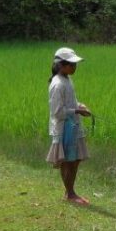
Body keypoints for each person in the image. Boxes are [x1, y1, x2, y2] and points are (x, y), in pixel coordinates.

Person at [46, 46, 92, 205]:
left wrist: (80, 106)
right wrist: (77, 111)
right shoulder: (57, 84)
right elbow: (57, 112)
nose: (74, 67)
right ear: (61, 65)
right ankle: (70, 193)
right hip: (64, 127)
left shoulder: (67, 79)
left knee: (76, 159)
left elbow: (70, 102)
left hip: (72, 125)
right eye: (71, 64)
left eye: (75, 64)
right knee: (68, 161)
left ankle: (70, 191)